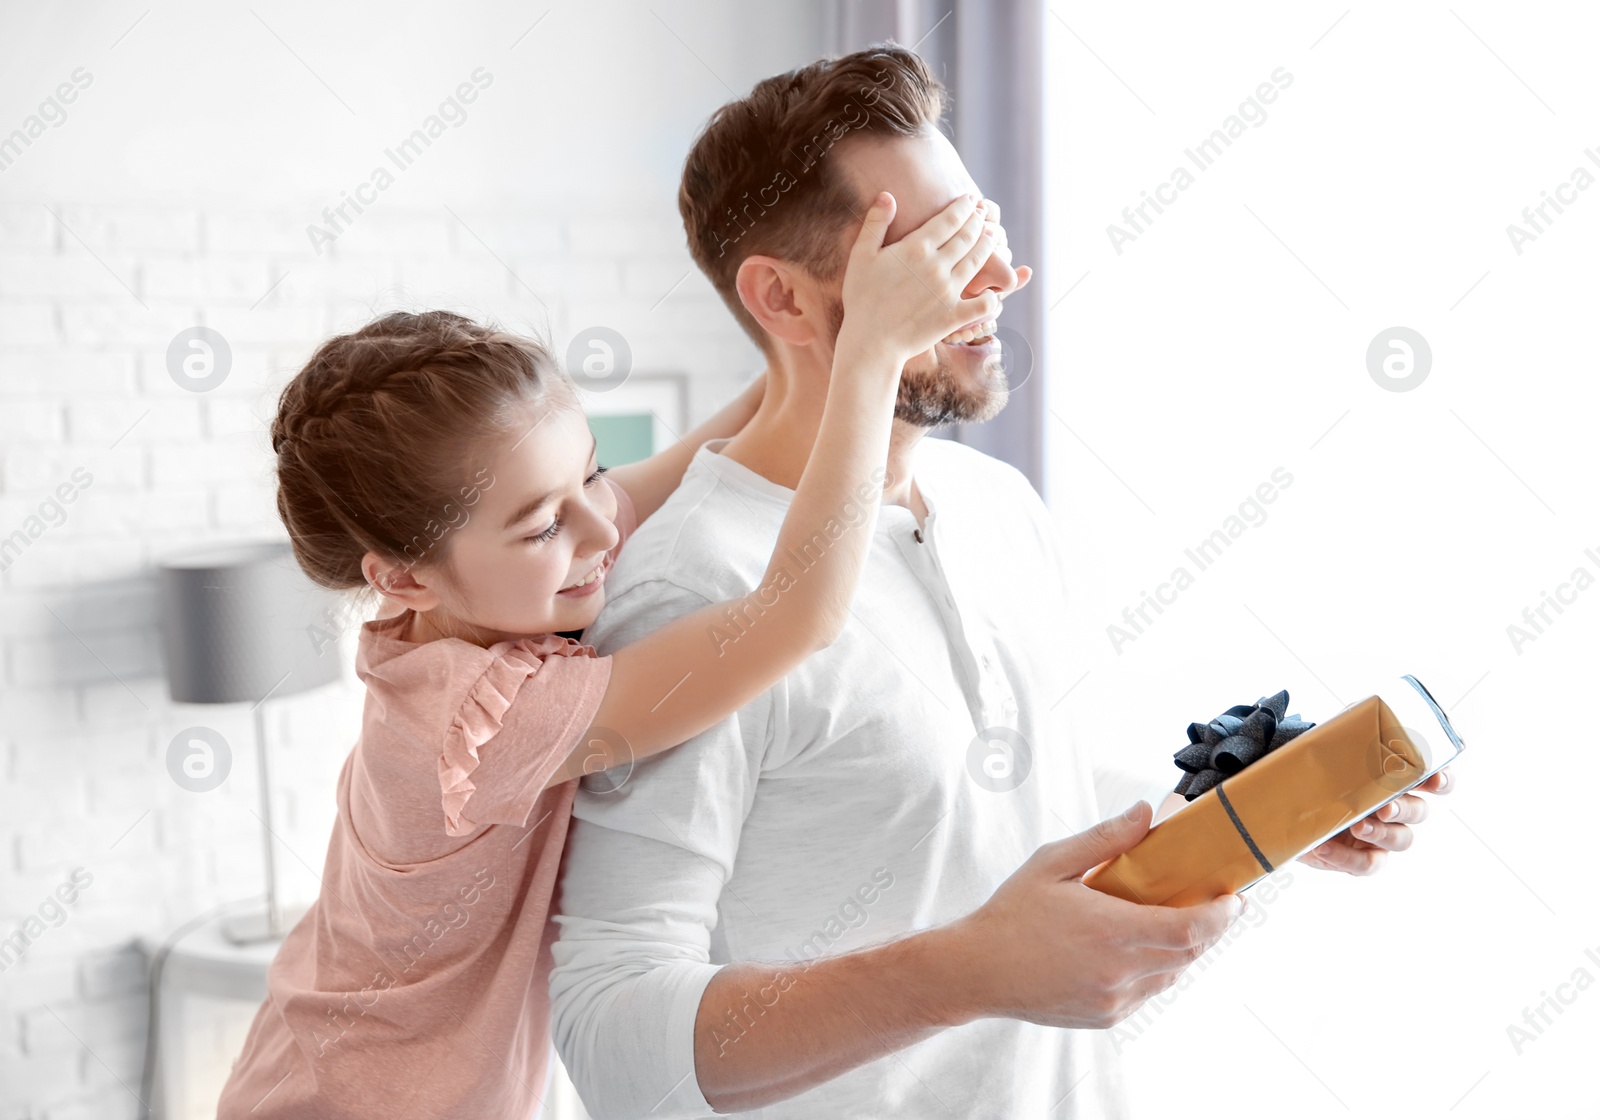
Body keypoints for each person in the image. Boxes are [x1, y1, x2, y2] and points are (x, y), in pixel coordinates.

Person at [549, 45, 1452, 1119]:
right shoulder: (698, 595)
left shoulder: (995, 507)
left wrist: (1271, 812)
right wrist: (964, 968)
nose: (998, 281)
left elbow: (1028, 826)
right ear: (781, 300)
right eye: (936, 255)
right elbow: (608, 1032)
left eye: (987, 234)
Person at [213, 193, 997, 1119]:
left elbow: (695, 458)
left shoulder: (475, 598)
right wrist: (866, 358)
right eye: (546, 524)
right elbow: (794, 619)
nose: (601, 524)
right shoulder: (486, 721)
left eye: (589, 469)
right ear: (405, 578)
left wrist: (821, 335)